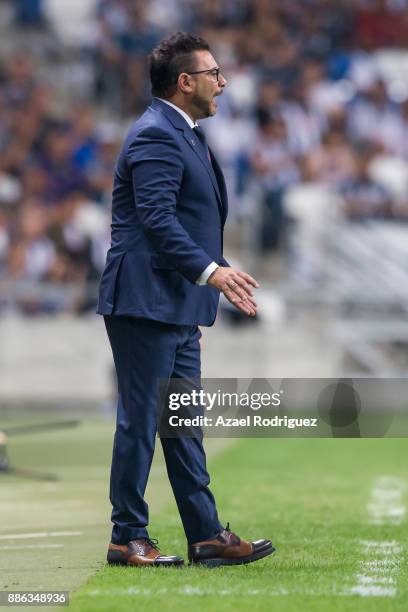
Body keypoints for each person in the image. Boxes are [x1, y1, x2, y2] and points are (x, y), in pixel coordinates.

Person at [97, 32, 274, 567]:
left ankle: (205, 536)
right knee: (141, 421)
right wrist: (211, 271)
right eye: (214, 73)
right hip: (145, 299)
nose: (222, 82)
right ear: (185, 81)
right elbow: (156, 218)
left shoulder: (185, 132)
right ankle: (127, 536)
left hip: (173, 302)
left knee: (182, 422)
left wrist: (206, 275)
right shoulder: (156, 134)